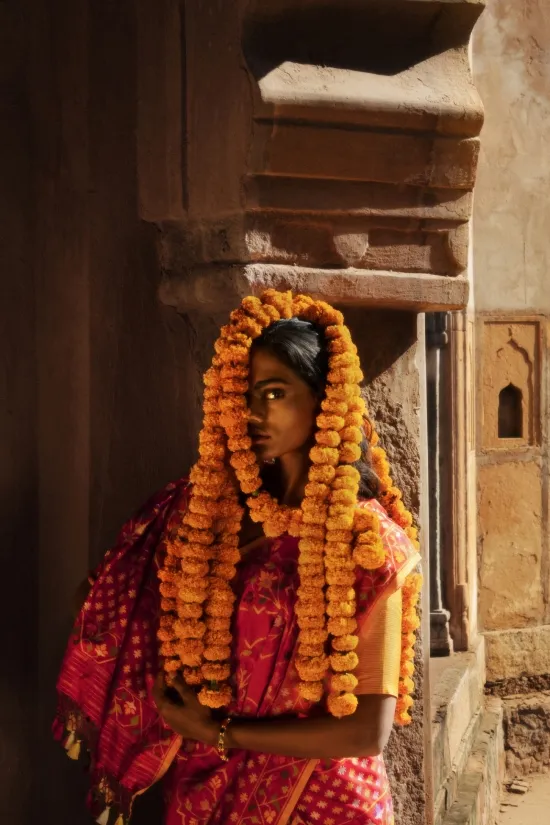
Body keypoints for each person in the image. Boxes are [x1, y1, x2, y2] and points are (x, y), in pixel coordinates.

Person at [54, 290, 422, 825]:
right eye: (244, 394)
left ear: (325, 399)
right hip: (204, 792)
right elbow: (110, 606)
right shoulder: (209, 516)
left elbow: (367, 732)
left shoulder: (367, 546)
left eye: (275, 393)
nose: (252, 412)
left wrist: (220, 733)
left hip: (320, 802)